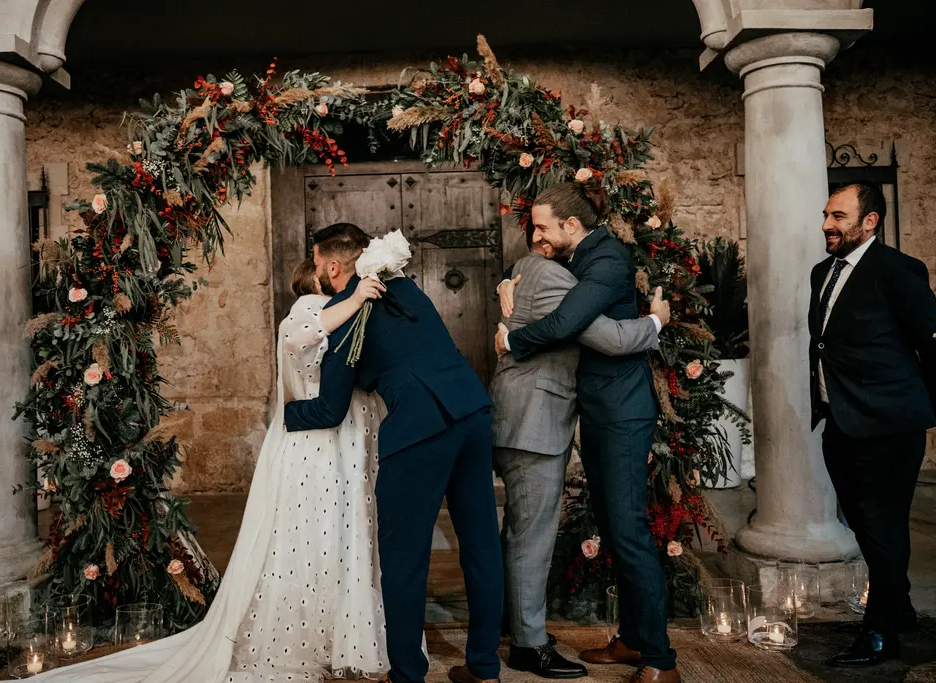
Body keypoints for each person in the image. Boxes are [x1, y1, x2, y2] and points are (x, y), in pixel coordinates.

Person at [28, 257, 390, 683]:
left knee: (333, 537)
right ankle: (308, 635)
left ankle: (335, 633)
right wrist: (356, 299)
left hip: (339, 442)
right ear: (318, 278)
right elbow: (298, 340)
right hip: (315, 443)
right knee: (311, 538)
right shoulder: (309, 306)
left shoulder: (342, 314)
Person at [284, 223, 504, 683]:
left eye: (320, 263)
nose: (320, 272)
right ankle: (484, 668)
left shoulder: (346, 318)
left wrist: (285, 416)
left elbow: (329, 409)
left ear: (333, 265)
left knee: (404, 560)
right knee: (482, 546)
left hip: (420, 431)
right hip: (471, 412)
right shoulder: (407, 290)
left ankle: (407, 675)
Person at [495, 182, 679, 683]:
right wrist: (509, 281)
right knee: (616, 529)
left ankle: (660, 661)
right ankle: (632, 640)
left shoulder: (608, 260)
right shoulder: (571, 255)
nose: (535, 235)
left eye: (541, 226)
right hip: (594, 411)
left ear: (571, 225)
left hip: (621, 411)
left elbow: (567, 320)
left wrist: (512, 338)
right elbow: (531, 270)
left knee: (627, 531)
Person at [809, 183, 936, 667]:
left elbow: (934, 346)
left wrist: (909, 402)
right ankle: (899, 605)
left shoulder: (898, 270)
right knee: (865, 526)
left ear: (870, 221)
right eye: (826, 214)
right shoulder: (821, 272)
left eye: (838, 216)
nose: (827, 223)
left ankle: (881, 633)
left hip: (889, 427)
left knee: (884, 529)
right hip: (840, 423)